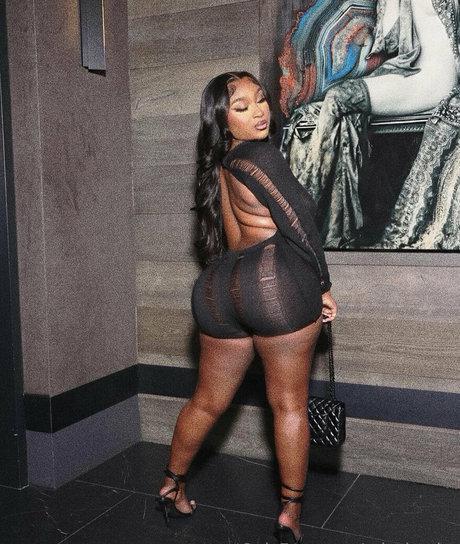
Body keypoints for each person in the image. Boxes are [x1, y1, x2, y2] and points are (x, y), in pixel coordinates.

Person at [156, 71, 337, 544]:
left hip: (217, 287)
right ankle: (290, 512)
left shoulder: (220, 167)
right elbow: (298, 217)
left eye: (260, 100)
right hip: (273, 283)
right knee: (289, 404)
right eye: (241, 107)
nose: (259, 112)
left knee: (206, 401)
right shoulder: (260, 155)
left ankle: (172, 483)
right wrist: (322, 284)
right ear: (223, 120)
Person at [283, 0, 459, 249]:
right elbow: (388, 39)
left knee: (339, 99)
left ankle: (308, 229)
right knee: (329, 102)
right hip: (409, 70)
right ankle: (312, 226)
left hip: (436, 82)